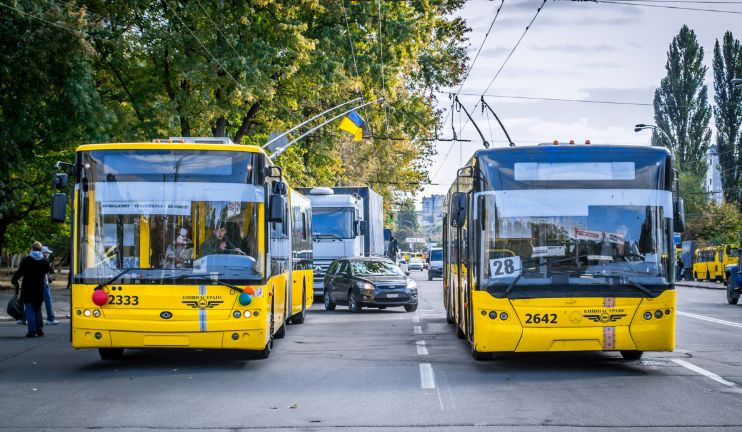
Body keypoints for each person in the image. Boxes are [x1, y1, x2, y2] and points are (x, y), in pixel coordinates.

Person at [12, 241, 52, 338]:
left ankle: (32, 331)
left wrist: (14, 280)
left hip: (28, 288)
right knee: (38, 309)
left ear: (32, 249)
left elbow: (20, 272)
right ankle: (39, 330)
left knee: (29, 309)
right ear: (40, 250)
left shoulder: (26, 260)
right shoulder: (44, 261)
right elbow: (48, 271)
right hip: (39, 289)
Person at [41, 246, 60, 325]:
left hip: (36, 284)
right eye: (47, 252)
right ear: (43, 253)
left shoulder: (35, 259)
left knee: (34, 303)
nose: (48, 254)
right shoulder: (44, 261)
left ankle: (26, 319)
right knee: (48, 301)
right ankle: (50, 319)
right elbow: (48, 272)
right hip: (44, 284)